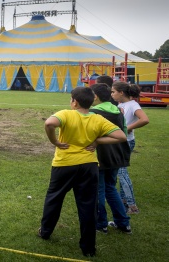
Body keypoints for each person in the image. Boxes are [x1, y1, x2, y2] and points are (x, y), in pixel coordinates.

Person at [38, 86, 127, 257]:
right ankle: (88, 248)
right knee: (88, 205)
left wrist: (55, 141)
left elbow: (49, 123)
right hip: (89, 166)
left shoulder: (66, 113)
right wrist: (97, 141)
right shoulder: (97, 119)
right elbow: (121, 136)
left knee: (54, 199)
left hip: (64, 164)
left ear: (74, 102)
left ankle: (45, 232)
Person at [89, 83, 132, 234]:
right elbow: (124, 133)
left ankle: (101, 225)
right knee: (110, 188)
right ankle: (123, 223)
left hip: (100, 156)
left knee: (99, 190)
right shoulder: (119, 111)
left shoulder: (93, 113)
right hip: (117, 155)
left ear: (95, 96)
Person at [111, 81, 149, 215]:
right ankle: (124, 202)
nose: (112, 94)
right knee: (119, 172)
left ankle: (132, 206)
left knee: (122, 173)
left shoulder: (133, 105)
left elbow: (144, 119)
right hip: (119, 141)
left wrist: (128, 128)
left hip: (126, 142)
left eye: (113, 92)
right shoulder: (120, 105)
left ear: (121, 93)